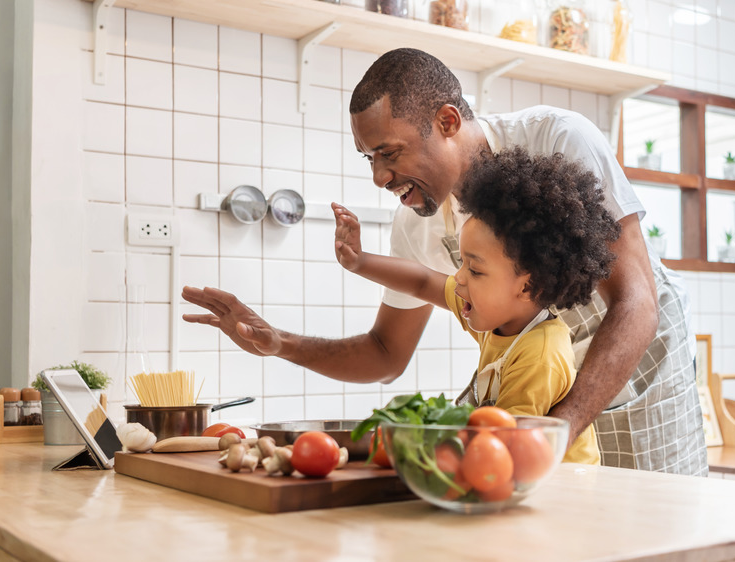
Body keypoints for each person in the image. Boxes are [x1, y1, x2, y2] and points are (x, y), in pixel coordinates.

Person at [183, 47, 707, 475]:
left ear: (448, 120)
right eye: (369, 159)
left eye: (389, 152)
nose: (379, 178)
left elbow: (636, 301)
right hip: (537, 411)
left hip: (639, 378)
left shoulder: (557, 140)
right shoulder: (416, 221)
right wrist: (278, 343)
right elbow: (386, 352)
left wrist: (563, 427)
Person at [334, 147, 619, 465]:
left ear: (526, 287)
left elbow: (506, 451)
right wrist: (360, 262)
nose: (459, 277)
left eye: (475, 269)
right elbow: (422, 282)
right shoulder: (499, 313)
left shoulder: (540, 355)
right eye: (463, 263)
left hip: (563, 493)